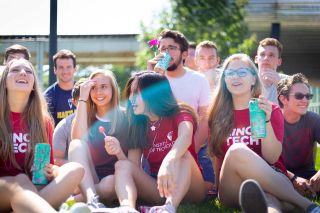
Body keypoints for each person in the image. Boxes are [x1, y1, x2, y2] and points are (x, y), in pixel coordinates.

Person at [207, 53, 320, 213]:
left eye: (242, 72)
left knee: (269, 201)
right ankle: (307, 205)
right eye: (230, 73)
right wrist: (216, 187)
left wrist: (266, 120)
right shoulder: (217, 115)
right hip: (233, 185)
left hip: (272, 180)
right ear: (224, 80)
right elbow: (216, 156)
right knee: (236, 150)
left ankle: (271, 207)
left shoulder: (270, 109)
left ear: (254, 79)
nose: (235, 77)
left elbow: (272, 158)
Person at [111, 71, 206, 213]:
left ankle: (169, 208)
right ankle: (127, 208)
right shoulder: (138, 123)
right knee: (121, 165)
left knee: (183, 155)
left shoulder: (180, 112)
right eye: (130, 93)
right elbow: (132, 167)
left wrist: (168, 162)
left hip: (191, 186)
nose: (131, 99)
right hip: (160, 187)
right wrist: (118, 153)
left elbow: (185, 137)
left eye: (136, 93)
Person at [0, 58, 84, 212]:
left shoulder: (43, 121)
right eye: (15, 70)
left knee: (76, 169)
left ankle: (24, 208)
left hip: (35, 187)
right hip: (4, 189)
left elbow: (48, 169)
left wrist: (53, 171)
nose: (23, 73)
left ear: (33, 85)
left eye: (29, 71)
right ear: (4, 81)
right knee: (20, 180)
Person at [147, 29, 211, 162]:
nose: (166, 53)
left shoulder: (199, 79)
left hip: (194, 149)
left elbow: (204, 119)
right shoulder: (154, 78)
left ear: (184, 54)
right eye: (163, 48)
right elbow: (145, 114)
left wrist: (192, 149)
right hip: (159, 149)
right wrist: (151, 76)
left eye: (172, 48)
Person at [69, 69, 128, 210]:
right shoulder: (84, 116)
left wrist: (118, 151)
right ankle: (91, 200)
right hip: (87, 177)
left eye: (104, 87)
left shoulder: (127, 117)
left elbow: (132, 166)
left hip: (115, 179)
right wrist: (83, 98)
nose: (98, 92)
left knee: (109, 183)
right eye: (93, 88)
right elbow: (76, 142)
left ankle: (73, 200)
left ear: (113, 89)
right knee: (76, 144)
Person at [277, 73, 320, 197]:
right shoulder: (272, 120)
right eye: (299, 96)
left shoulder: (313, 119)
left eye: (308, 96)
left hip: (310, 177)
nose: (305, 100)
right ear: (283, 99)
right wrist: (293, 178)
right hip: (279, 176)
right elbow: (267, 160)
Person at [53, 78, 86, 166]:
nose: (87, 104)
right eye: (82, 100)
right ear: (74, 102)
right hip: (78, 173)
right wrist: (81, 165)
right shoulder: (64, 126)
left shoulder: (106, 120)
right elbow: (55, 159)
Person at [44, 49, 77, 126]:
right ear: (55, 70)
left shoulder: (84, 91)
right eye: (61, 67)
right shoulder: (47, 97)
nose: (65, 71)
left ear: (75, 69)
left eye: (68, 67)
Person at [255, 38, 288, 104]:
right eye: (262, 54)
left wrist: (281, 86)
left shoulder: (289, 81)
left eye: (271, 55)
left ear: (279, 61)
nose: (266, 58)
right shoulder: (248, 80)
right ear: (256, 59)